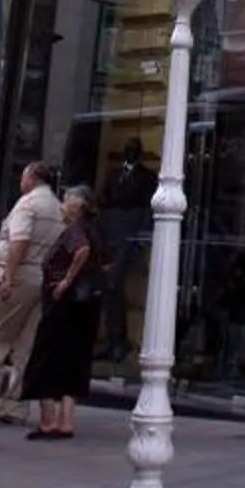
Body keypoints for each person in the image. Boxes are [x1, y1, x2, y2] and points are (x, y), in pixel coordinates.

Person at [0, 160, 64, 423]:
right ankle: (15, 405)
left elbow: (19, 240)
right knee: (25, 346)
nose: (21, 182)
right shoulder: (56, 207)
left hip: (19, 275)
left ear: (31, 177)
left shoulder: (28, 204)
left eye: (23, 177)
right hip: (41, 278)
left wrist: (7, 277)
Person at [21, 186, 107, 438]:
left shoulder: (75, 231)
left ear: (78, 205)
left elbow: (81, 251)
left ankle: (48, 421)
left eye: (68, 199)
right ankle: (66, 420)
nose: (62, 203)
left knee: (45, 358)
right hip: (86, 304)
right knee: (74, 361)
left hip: (64, 304)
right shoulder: (97, 231)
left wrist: (65, 281)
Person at [97, 138, 154, 360]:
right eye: (127, 149)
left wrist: (141, 240)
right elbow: (105, 201)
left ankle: (119, 341)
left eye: (134, 150)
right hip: (111, 233)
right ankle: (114, 339)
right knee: (108, 288)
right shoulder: (113, 174)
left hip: (129, 235)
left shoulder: (147, 178)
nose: (130, 153)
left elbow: (148, 211)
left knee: (114, 284)